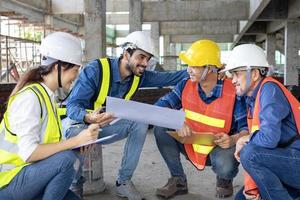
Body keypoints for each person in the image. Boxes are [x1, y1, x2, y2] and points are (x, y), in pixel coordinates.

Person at [62, 31, 189, 200]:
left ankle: (123, 182)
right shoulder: (95, 70)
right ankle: (75, 184)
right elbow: (72, 106)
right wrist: (88, 117)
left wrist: (200, 70)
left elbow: (170, 77)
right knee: (77, 134)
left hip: (103, 126)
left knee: (140, 123)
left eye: (148, 59)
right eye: (141, 57)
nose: (145, 63)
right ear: (126, 53)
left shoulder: (140, 76)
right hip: (78, 125)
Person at [0, 32, 113, 200]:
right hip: (8, 183)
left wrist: (87, 126)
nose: (76, 77)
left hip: (29, 175)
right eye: (75, 70)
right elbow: (29, 152)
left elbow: (50, 139)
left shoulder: (46, 96)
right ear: (57, 67)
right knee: (67, 159)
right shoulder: (30, 98)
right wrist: (76, 141)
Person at [153, 39, 249, 199]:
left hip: (219, 147)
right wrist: (176, 121)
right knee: (161, 129)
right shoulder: (185, 85)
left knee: (225, 166)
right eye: (188, 65)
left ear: (210, 69)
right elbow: (160, 106)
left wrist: (233, 139)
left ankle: (224, 179)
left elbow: (245, 129)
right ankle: (178, 180)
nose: (188, 70)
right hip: (191, 139)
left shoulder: (233, 92)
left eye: (194, 66)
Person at [221, 44, 300, 200]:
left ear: (255, 73)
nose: (233, 80)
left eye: (236, 74)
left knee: (249, 154)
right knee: (241, 198)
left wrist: (245, 138)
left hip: (295, 161)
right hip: (285, 160)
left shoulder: (269, 91)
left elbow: (268, 140)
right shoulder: (253, 98)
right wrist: (254, 186)